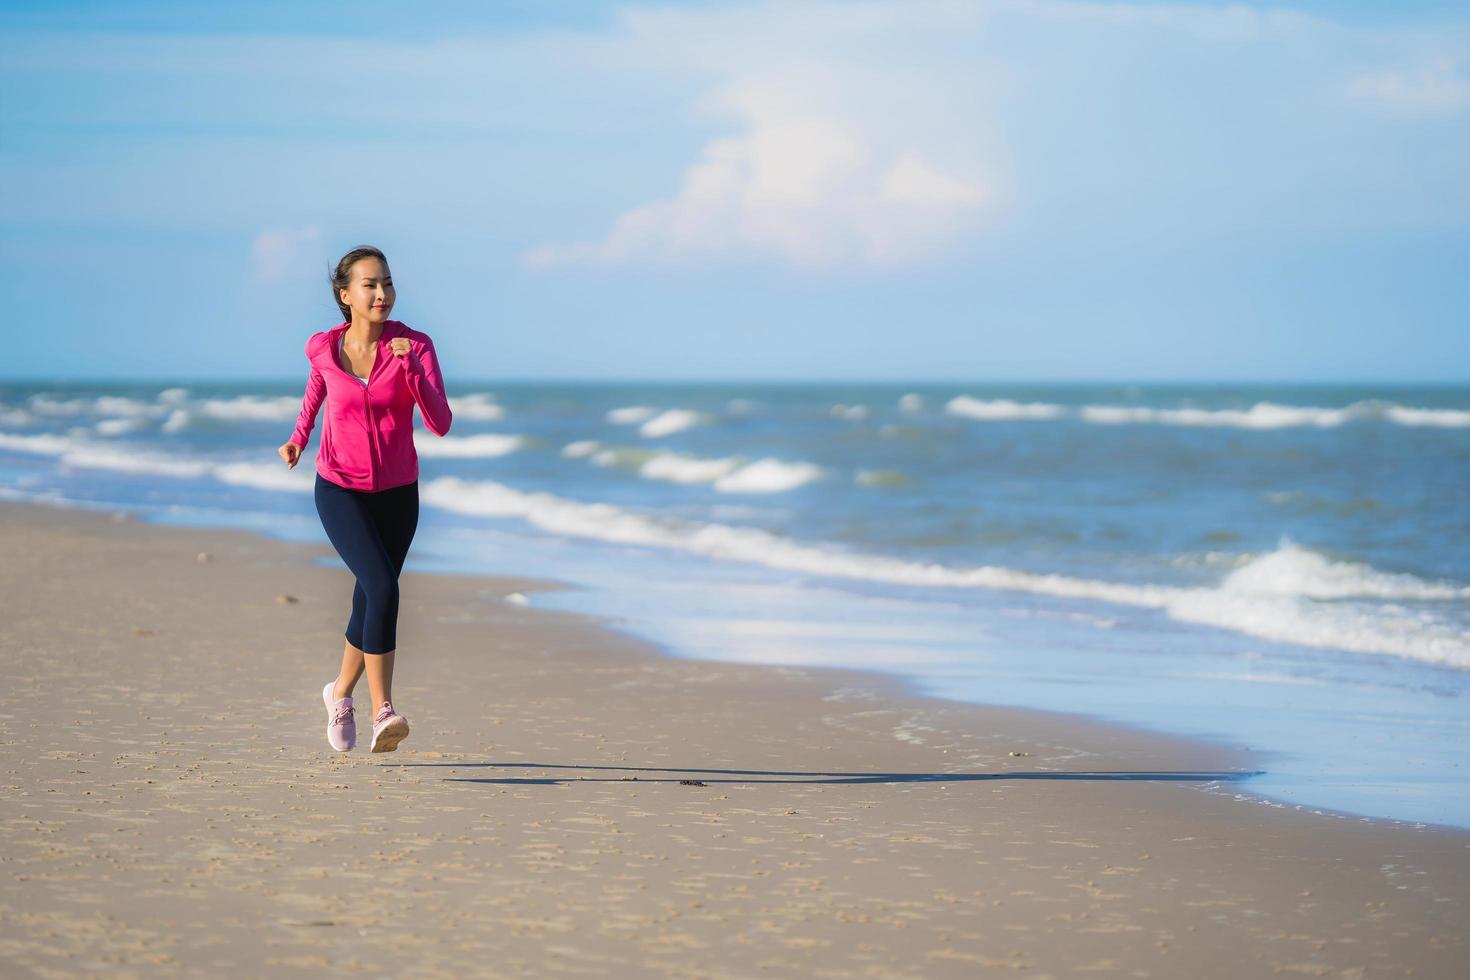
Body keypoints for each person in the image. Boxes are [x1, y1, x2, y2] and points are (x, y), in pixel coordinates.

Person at [277, 245, 453, 753]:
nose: (382, 294)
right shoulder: (323, 346)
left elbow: (441, 423)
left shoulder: (416, 347)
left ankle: (338, 693)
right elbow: (319, 385)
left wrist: (412, 372)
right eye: (370, 285)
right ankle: (383, 710)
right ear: (345, 295)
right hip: (339, 488)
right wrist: (299, 436)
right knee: (382, 586)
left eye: (388, 283)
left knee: (370, 594)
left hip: (398, 493)